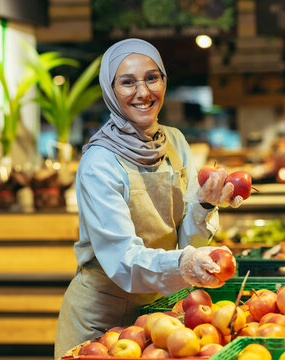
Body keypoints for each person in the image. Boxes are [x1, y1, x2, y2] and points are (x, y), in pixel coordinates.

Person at [54, 38, 243, 359]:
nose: (143, 92)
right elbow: (122, 261)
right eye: (127, 82)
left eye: (152, 78)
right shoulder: (99, 161)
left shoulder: (176, 143)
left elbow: (187, 240)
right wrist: (184, 264)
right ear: (110, 90)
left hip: (163, 311)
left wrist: (206, 204)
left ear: (164, 81)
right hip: (101, 316)